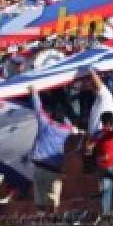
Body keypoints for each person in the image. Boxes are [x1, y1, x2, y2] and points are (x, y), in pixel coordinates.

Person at [26, 84, 78, 216]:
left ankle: (41, 218)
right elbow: (72, 127)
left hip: (39, 165)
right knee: (54, 198)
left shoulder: (46, 124)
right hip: (55, 167)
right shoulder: (66, 130)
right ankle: (54, 218)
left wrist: (34, 92)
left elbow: (38, 109)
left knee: (40, 197)